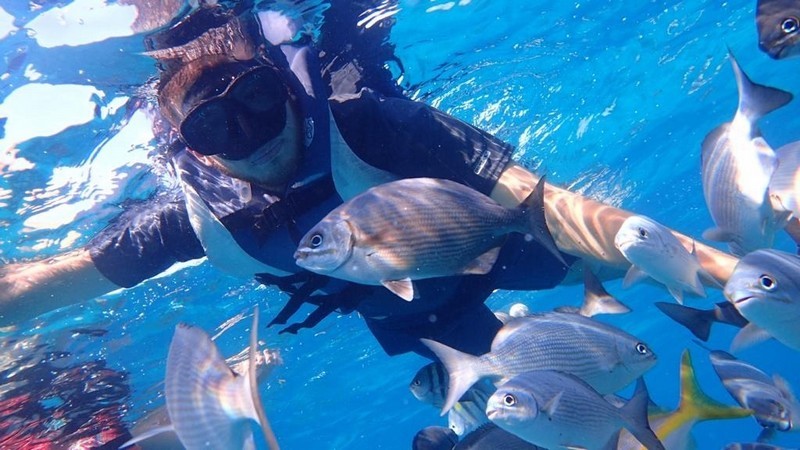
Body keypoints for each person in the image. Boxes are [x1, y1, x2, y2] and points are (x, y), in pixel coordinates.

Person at [0, 1, 738, 358]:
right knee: (541, 405)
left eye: (257, 102)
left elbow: (549, 204)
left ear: (287, 89)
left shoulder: (375, 122)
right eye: (215, 128)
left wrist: (728, 273)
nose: (252, 139)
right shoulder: (189, 217)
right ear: (192, 149)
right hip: (406, 313)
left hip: (498, 243)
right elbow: (53, 282)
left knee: (596, 264)